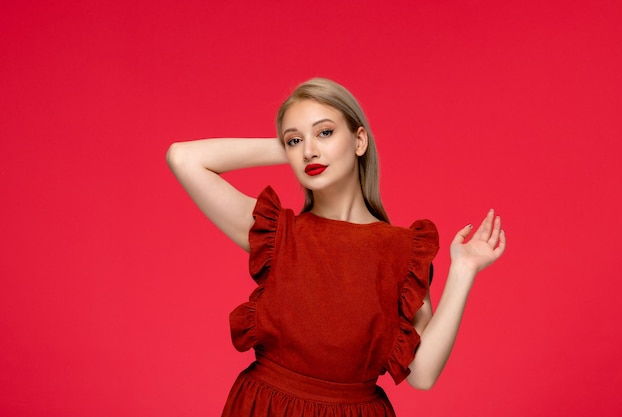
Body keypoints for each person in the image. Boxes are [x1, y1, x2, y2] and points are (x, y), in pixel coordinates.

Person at [166, 78, 506, 416]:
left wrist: (463, 270)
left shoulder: (403, 252)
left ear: (360, 141)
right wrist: (292, 149)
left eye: (325, 132)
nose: (310, 150)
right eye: (295, 139)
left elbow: (423, 374)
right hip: (264, 408)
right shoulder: (277, 234)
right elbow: (183, 158)